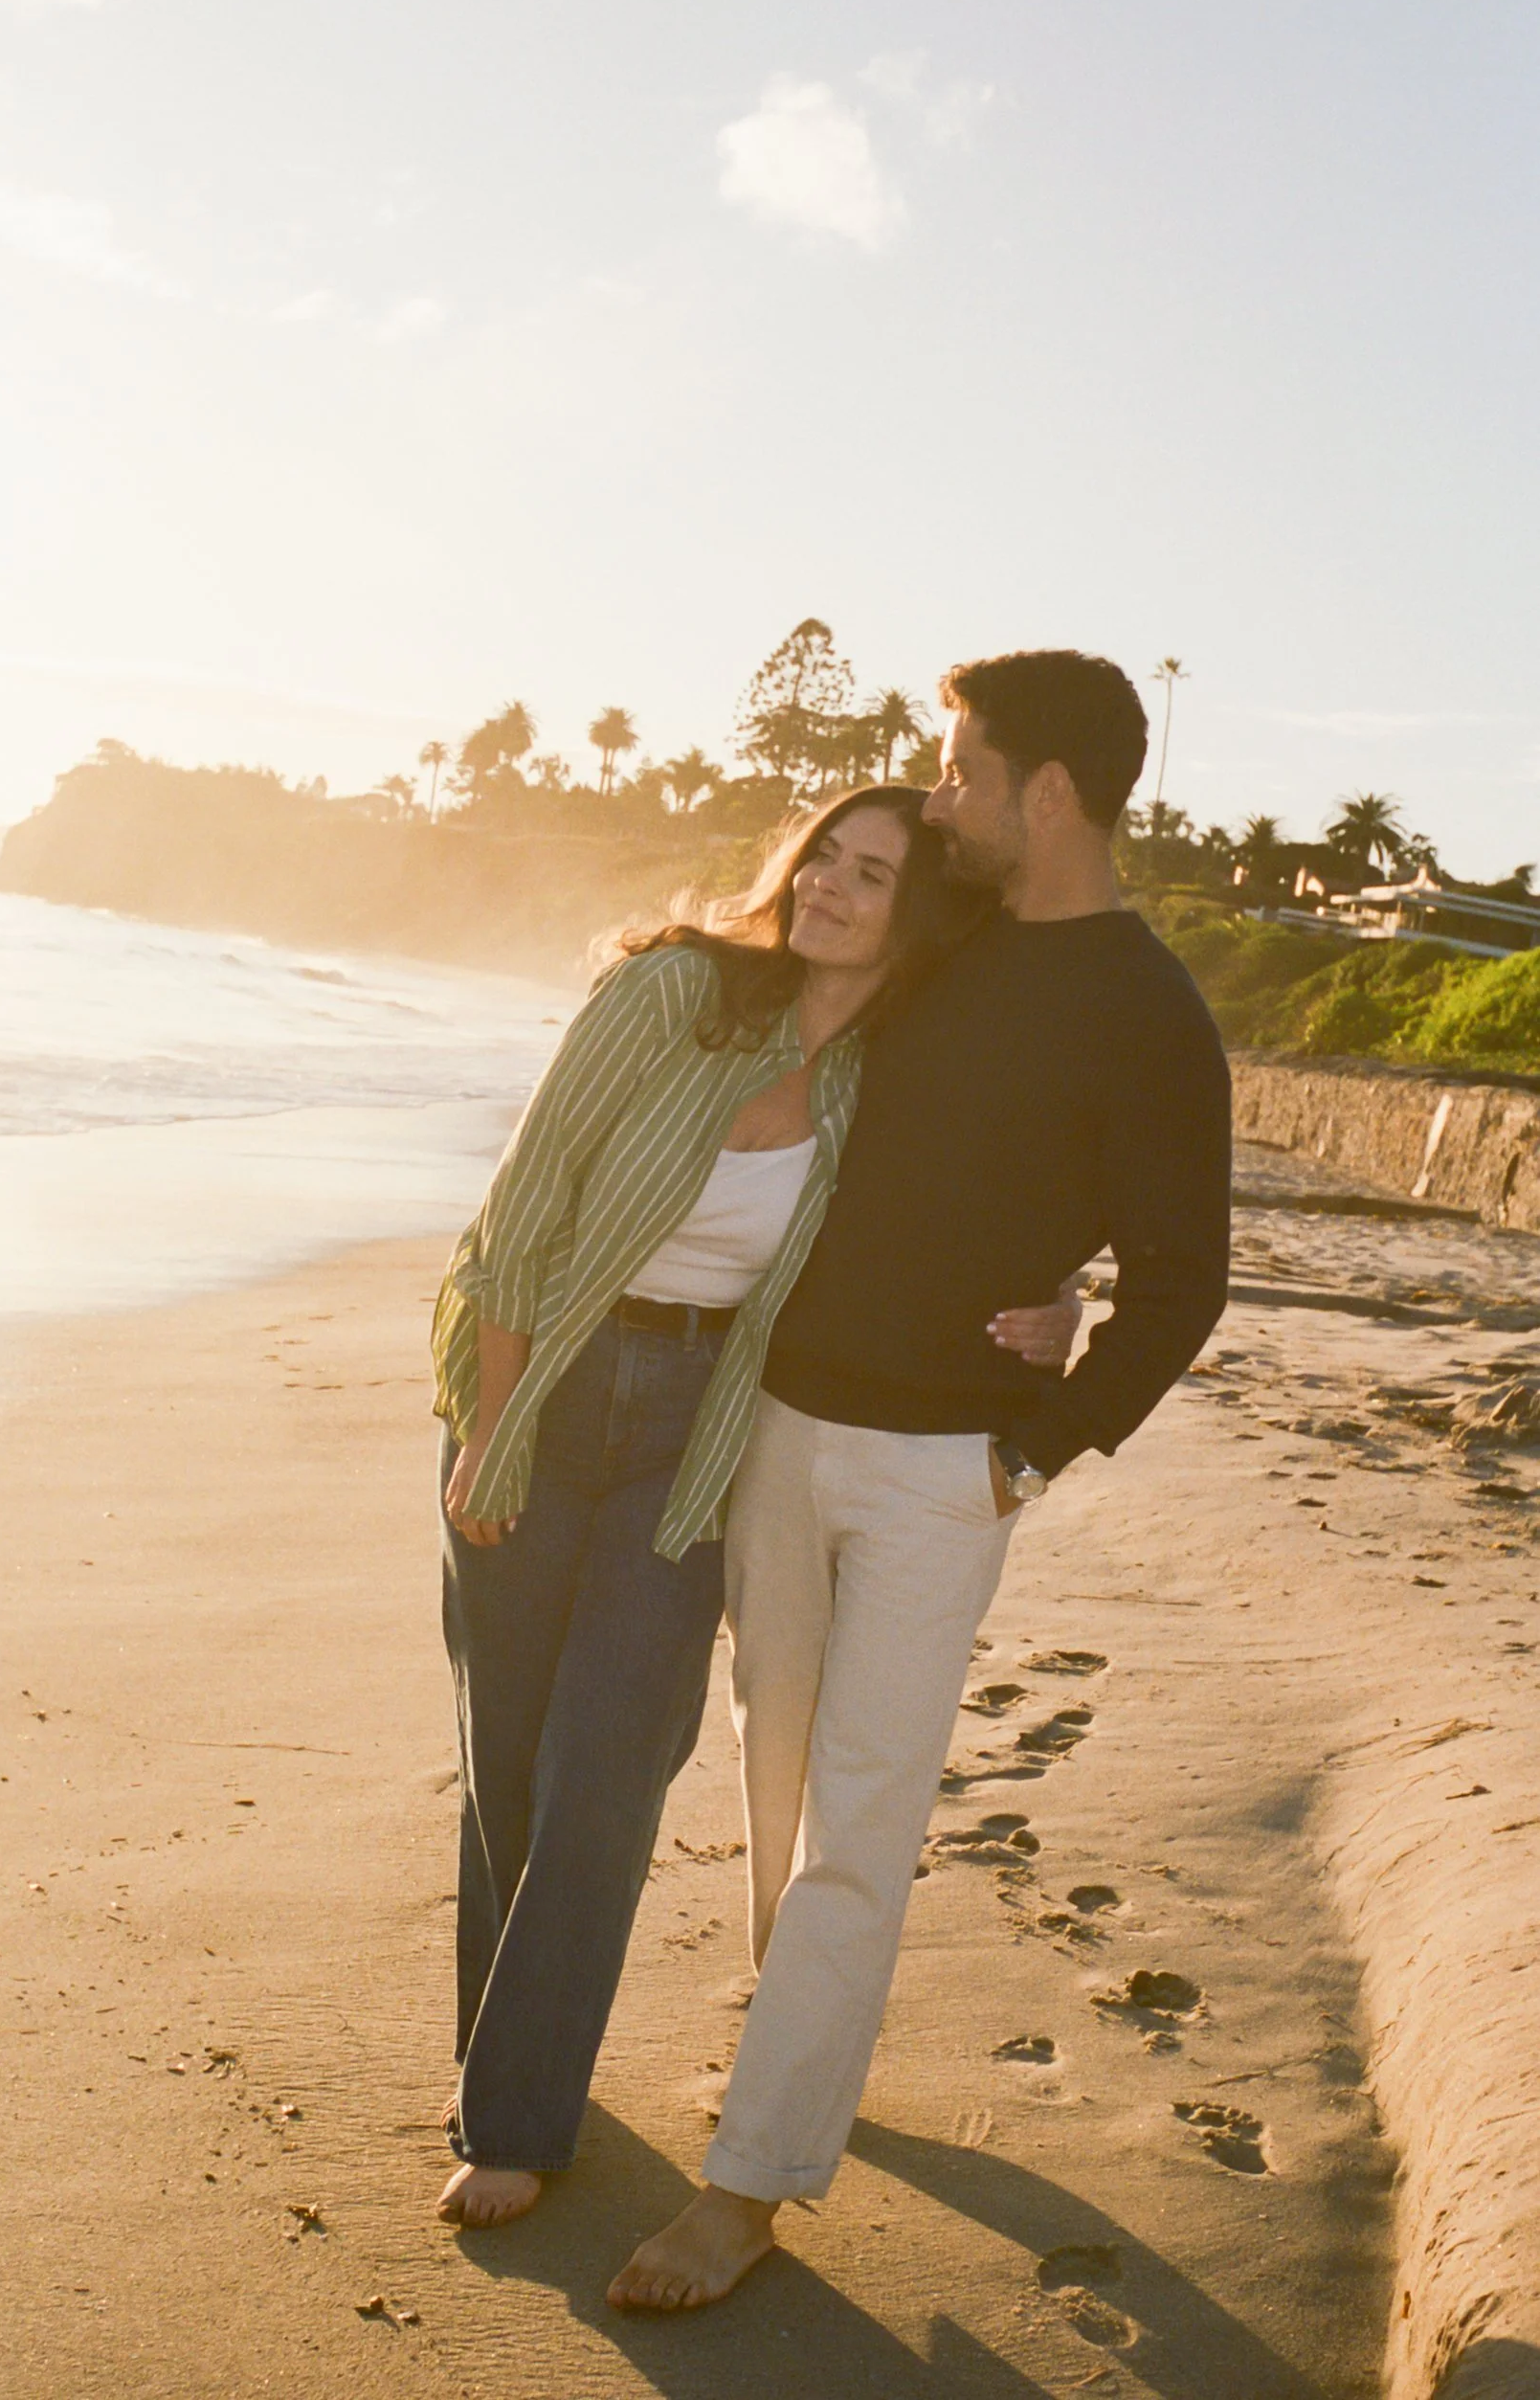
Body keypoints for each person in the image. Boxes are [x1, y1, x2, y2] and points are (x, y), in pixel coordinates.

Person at [609, 649, 1233, 2311]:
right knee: (775, 1775)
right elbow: (791, 987)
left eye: (961, 770)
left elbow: (1183, 1277)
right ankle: (798, 2048)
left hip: (946, 1470)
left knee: (862, 1814)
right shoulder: (938, 935)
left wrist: (1040, 1439)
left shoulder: (1150, 1011)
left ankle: (750, 2184)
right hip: (778, 1423)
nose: (938, 796)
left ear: (1048, 791)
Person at [431, 784, 1080, 2230]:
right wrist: (494, 1430)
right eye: (823, 857)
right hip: (539, 1376)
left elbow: (973, 1206)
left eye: (873, 876)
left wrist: (1060, 1294)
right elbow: (521, 1215)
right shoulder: (674, 992)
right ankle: (506, 2049)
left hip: (701, 1428)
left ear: (915, 921)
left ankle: (515, 2115)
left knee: (610, 1763)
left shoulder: (881, 1080)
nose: (828, 887)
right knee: (509, 1757)